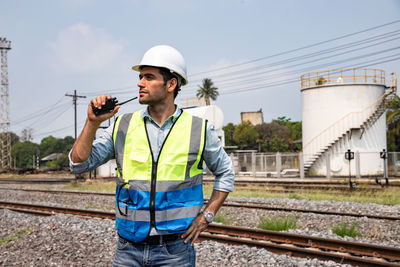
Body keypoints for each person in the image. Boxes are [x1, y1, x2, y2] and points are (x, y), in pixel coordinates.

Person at [69, 45, 235, 267]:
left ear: (171, 84)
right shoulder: (122, 125)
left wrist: (208, 216)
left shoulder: (199, 129)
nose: (140, 83)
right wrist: (92, 122)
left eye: (148, 77)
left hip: (176, 251)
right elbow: (78, 165)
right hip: (128, 248)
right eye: (140, 77)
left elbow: (225, 172)